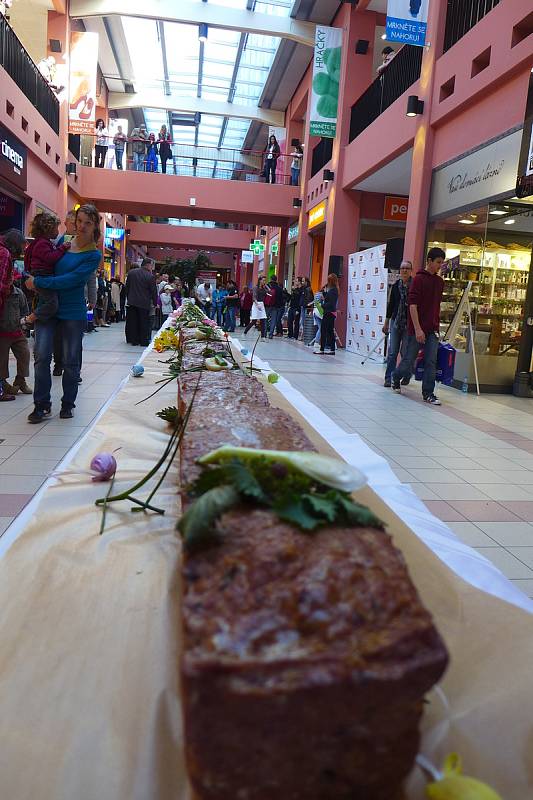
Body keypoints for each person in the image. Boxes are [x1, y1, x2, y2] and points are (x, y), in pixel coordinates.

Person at [25, 203, 102, 422]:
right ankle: (41, 405)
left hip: (72, 311)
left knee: (70, 361)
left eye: (88, 223)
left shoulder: (93, 255)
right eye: (79, 221)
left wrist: (38, 282)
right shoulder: (64, 242)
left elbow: (73, 280)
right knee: (41, 357)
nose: (82, 227)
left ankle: (68, 403)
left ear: (95, 225)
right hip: (49, 309)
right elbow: (47, 264)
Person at [392, 247, 445, 405]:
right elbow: (412, 305)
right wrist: (417, 329)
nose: (440, 266)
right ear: (429, 261)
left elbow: (436, 306)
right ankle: (396, 376)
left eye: (441, 263)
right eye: (438, 262)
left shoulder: (439, 282)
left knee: (431, 361)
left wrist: (436, 326)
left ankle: (428, 393)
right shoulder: (418, 280)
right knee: (409, 359)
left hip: (432, 330)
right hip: (416, 329)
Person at [22, 211, 70, 329]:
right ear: (48, 229)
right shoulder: (42, 244)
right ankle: (30, 319)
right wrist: (62, 248)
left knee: (47, 301)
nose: (58, 232)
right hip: (42, 275)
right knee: (52, 304)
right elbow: (50, 258)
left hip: (43, 275)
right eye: (56, 228)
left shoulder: (43, 243)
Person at [0, 229, 27, 401]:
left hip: (14, 328)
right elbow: (1, 282)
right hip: (4, 324)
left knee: (23, 352)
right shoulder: (4, 253)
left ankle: (16, 382)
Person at [382, 260, 413, 388]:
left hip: (409, 323)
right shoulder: (395, 286)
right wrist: (386, 323)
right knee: (393, 352)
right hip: (396, 322)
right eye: (402, 268)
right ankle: (388, 378)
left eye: (407, 268)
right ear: (400, 270)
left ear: (411, 270)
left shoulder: (415, 285)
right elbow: (391, 306)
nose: (404, 270)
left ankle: (406, 374)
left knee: (405, 352)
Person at [124, 258, 158, 346]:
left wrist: (129, 298)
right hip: (144, 303)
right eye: (152, 265)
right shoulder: (150, 276)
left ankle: (134, 340)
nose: (152, 267)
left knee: (133, 321)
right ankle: (143, 340)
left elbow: (127, 287)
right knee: (144, 322)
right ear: (148, 265)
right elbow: (153, 291)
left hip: (132, 302)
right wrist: (155, 303)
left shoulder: (131, 273)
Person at [316, 273, 339, 355]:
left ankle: (322, 349)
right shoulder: (333, 290)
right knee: (329, 331)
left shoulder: (333, 290)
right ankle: (332, 349)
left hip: (329, 313)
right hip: (330, 313)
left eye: (328, 280)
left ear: (331, 281)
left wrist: (322, 305)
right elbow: (329, 300)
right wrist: (325, 294)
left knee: (324, 330)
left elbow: (331, 303)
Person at [309, 285, 325, 350]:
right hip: (319, 310)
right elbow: (324, 302)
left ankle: (316, 342)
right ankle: (316, 342)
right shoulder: (322, 295)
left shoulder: (316, 294)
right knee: (321, 328)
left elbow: (314, 302)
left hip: (315, 311)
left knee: (320, 328)